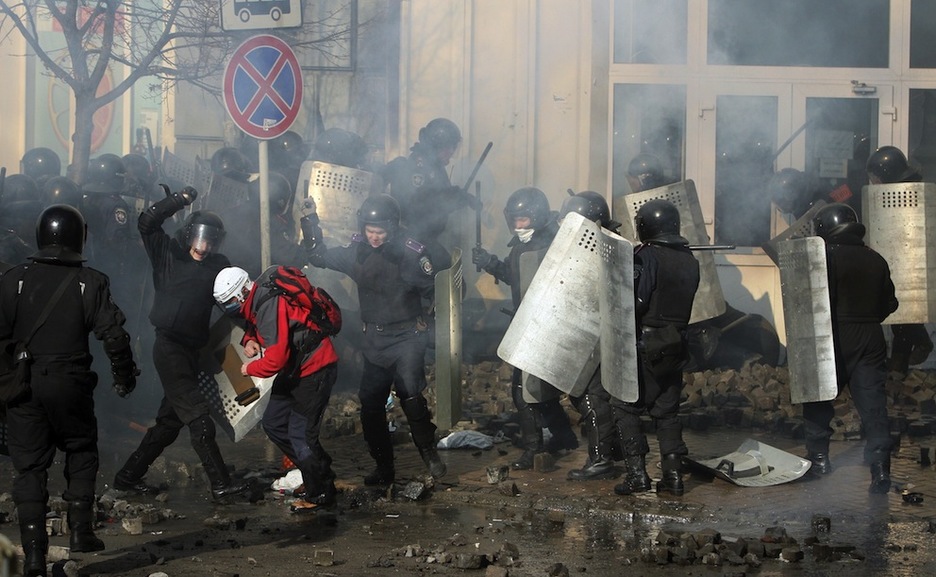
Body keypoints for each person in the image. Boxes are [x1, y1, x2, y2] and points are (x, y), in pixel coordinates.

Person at [0, 204, 138, 576]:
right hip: (70, 382)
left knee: (28, 468)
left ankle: (32, 558)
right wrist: (125, 377)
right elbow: (115, 337)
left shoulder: (13, 279)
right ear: (79, 237)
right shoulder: (90, 281)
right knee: (80, 449)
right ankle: (80, 531)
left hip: (23, 384)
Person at [112, 186, 249, 500]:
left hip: (193, 350)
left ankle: (127, 477)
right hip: (169, 347)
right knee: (200, 420)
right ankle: (221, 483)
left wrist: (252, 335)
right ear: (189, 234)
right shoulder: (168, 253)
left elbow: (232, 304)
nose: (204, 246)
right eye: (200, 237)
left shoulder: (219, 265)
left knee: (168, 424)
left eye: (211, 240)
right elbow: (147, 223)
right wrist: (179, 200)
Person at [303, 193, 447, 484]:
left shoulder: (410, 253)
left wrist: (429, 322)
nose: (374, 238)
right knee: (370, 405)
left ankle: (429, 452)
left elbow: (439, 290)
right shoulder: (357, 252)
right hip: (374, 342)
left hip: (407, 336)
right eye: (369, 231)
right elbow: (317, 255)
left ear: (392, 228)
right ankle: (384, 468)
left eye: (380, 232)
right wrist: (310, 221)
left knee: (411, 395)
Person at [213, 266, 340, 511]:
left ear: (241, 293)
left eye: (229, 303)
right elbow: (257, 325)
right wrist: (249, 339)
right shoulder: (257, 298)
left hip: (315, 368)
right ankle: (317, 469)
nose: (229, 309)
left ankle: (320, 494)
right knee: (273, 422)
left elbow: (275, 360)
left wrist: (249, 369)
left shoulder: (268, 304)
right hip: (296, 369)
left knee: (301, 435)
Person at [471, 187, 579, 470]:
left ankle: (534, 448)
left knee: (524, 392)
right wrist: (491, 264)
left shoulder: (554, 245)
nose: (518, 226)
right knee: (536, 388)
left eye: (524, 220)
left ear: (538, 217)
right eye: (515, 220)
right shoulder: (520, 246)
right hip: (526, 326)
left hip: (547, 326)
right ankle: (564, 436)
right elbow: (514, 276)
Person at [804, 203, 898, 494]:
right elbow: (890, 305)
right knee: (873, 407)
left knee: (819, 399)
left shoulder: (823, 258)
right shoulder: (876, 258)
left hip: (830, 334)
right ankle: (880, 469)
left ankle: (819, 460)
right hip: (870, 337)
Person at [611, 199, 700, 497]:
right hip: (677, 343)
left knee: (624, 406)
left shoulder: (647, 256)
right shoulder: (690, 259)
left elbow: (637, 302)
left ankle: (637, 475)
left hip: (646, 343)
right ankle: (673, 478)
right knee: (667, 412)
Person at [556, 191, 622, 481]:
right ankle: (613, 450)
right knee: (588, 395)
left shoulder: (605, 251)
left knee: (590, 397)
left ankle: (601, 460)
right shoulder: (599, 246)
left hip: (597, 337)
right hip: (589, 334)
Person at [865, 145, 934, 374]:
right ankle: (898, 368)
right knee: (902, 318)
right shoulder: (905, 189)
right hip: (902, 261)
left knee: (902, 313)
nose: (873, 183)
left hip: (908, 262)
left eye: (875, 178)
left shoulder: (906, 193)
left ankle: (919, 345)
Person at [382, 117, 480, 247]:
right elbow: (424, 202)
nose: (451, 152)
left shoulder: (435, 166)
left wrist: (463, 196)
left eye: (453, 147)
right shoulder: (419, 168)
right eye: (447, 147)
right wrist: (456, 198)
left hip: (425, 238)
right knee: (443, 262)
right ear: (434, 146)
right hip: (412, 240)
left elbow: (438, 191)